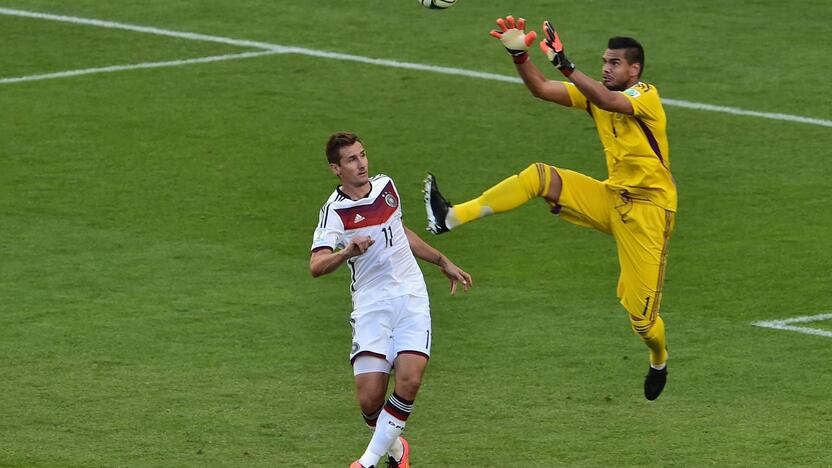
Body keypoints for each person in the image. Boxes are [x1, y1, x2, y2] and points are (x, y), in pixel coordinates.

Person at [424, 16, 676, 400]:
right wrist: (520, 56)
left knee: (642, 322)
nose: (606, 68)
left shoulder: (645, 96)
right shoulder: (597, 94)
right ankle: (450, 216)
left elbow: (608, 99)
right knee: (541, 176)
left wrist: (567, 64)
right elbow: (541, 89)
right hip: (611, 197)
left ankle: (659, 358)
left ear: (634, 69)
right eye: (604, 62)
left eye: (614, 63)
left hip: (649, 214)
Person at [311, 132, 473, 467]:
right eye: (352, 159)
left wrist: (442, 261)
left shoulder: (386, 186)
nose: (362, 163)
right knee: (370, 399)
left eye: (363, 155)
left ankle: (366, 462)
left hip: (410, 295)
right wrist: (346, 252)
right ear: (335, 169)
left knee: (410, 378)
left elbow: (401, 231)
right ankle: (397, 449)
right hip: (371, 303)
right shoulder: (334, 212)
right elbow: (316, 265)